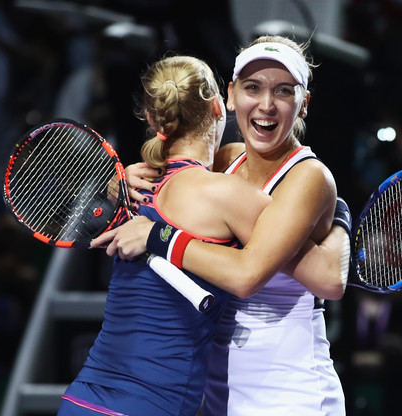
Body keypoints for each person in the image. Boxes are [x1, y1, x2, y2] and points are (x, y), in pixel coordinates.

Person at [58, 54, 348, 415]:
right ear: (221, 102)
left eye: (283, 91)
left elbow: (326, 278)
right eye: (253, 87)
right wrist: (341, 219)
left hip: (87, 397)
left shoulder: (140, 187)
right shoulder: (225, 181)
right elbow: (320, 274)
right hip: (172, 402)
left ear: (153, 118)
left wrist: (151, 228)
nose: (266, 104)